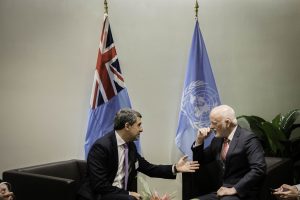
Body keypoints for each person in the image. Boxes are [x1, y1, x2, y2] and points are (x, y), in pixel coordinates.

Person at [78, 108, 199, 200]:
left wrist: (175, 168)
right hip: (99, 196)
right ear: (127, 126)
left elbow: (148, 168)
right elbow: (100, 185)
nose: (142, 129)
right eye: (139, 125)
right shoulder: (102, 147)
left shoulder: (130, 146)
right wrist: (128, 194)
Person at [192, 105, 266, 200]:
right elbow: (198, 162)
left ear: (227, 122)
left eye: (214, 123)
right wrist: (199, 140)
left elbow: (259, 168)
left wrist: (234, 189)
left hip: (242, 192)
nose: (211, 127)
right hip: (221, 191)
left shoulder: (249, 139)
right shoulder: (217, 140)